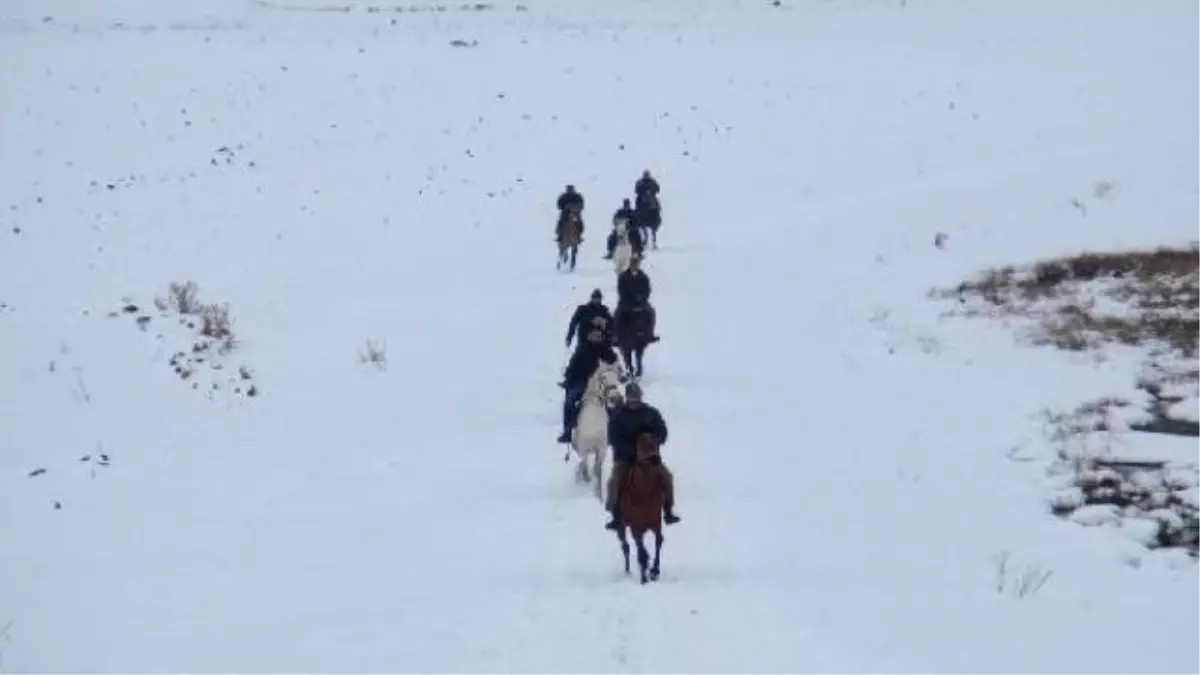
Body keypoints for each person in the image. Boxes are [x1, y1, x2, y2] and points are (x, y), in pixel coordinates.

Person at [605, 382, 678, 528]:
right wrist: (629, 450)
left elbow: (662, 432)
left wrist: (653, 441)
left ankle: (668, 511)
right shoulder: (618, 414)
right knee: (614, 481)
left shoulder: (651, 413)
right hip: (625, 458)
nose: (634, 401)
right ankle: (616, 515)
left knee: (667, 477)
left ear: (641, 397)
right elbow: (613, 437)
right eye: (631, 398)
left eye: (637, 398)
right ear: (627, 398)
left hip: (648, 457)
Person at [557, 328, 619, 443]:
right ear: (589, 336)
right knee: (569, 402)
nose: (596, 338)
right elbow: (573, 365)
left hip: (599, 381)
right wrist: (568, 378)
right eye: (594, 335)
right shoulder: (582, 348)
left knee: (613, 402)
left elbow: (613, 360)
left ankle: (612, 432)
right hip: (580, 381)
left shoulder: (603, 349)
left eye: (599, 336)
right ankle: (568, 432)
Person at [616, 257, 658, 341]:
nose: (634, 266)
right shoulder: (623, 276)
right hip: (626, 302)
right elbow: (621, 290)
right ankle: (616, 336)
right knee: (618, 313)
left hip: (641, 302)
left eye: (636, 264)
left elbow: (647, 290)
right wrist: (630, 299)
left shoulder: (643, 276)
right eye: (633, 264)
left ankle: (649, 333)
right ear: (630, 264)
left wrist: (642, 297)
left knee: (651, 311)